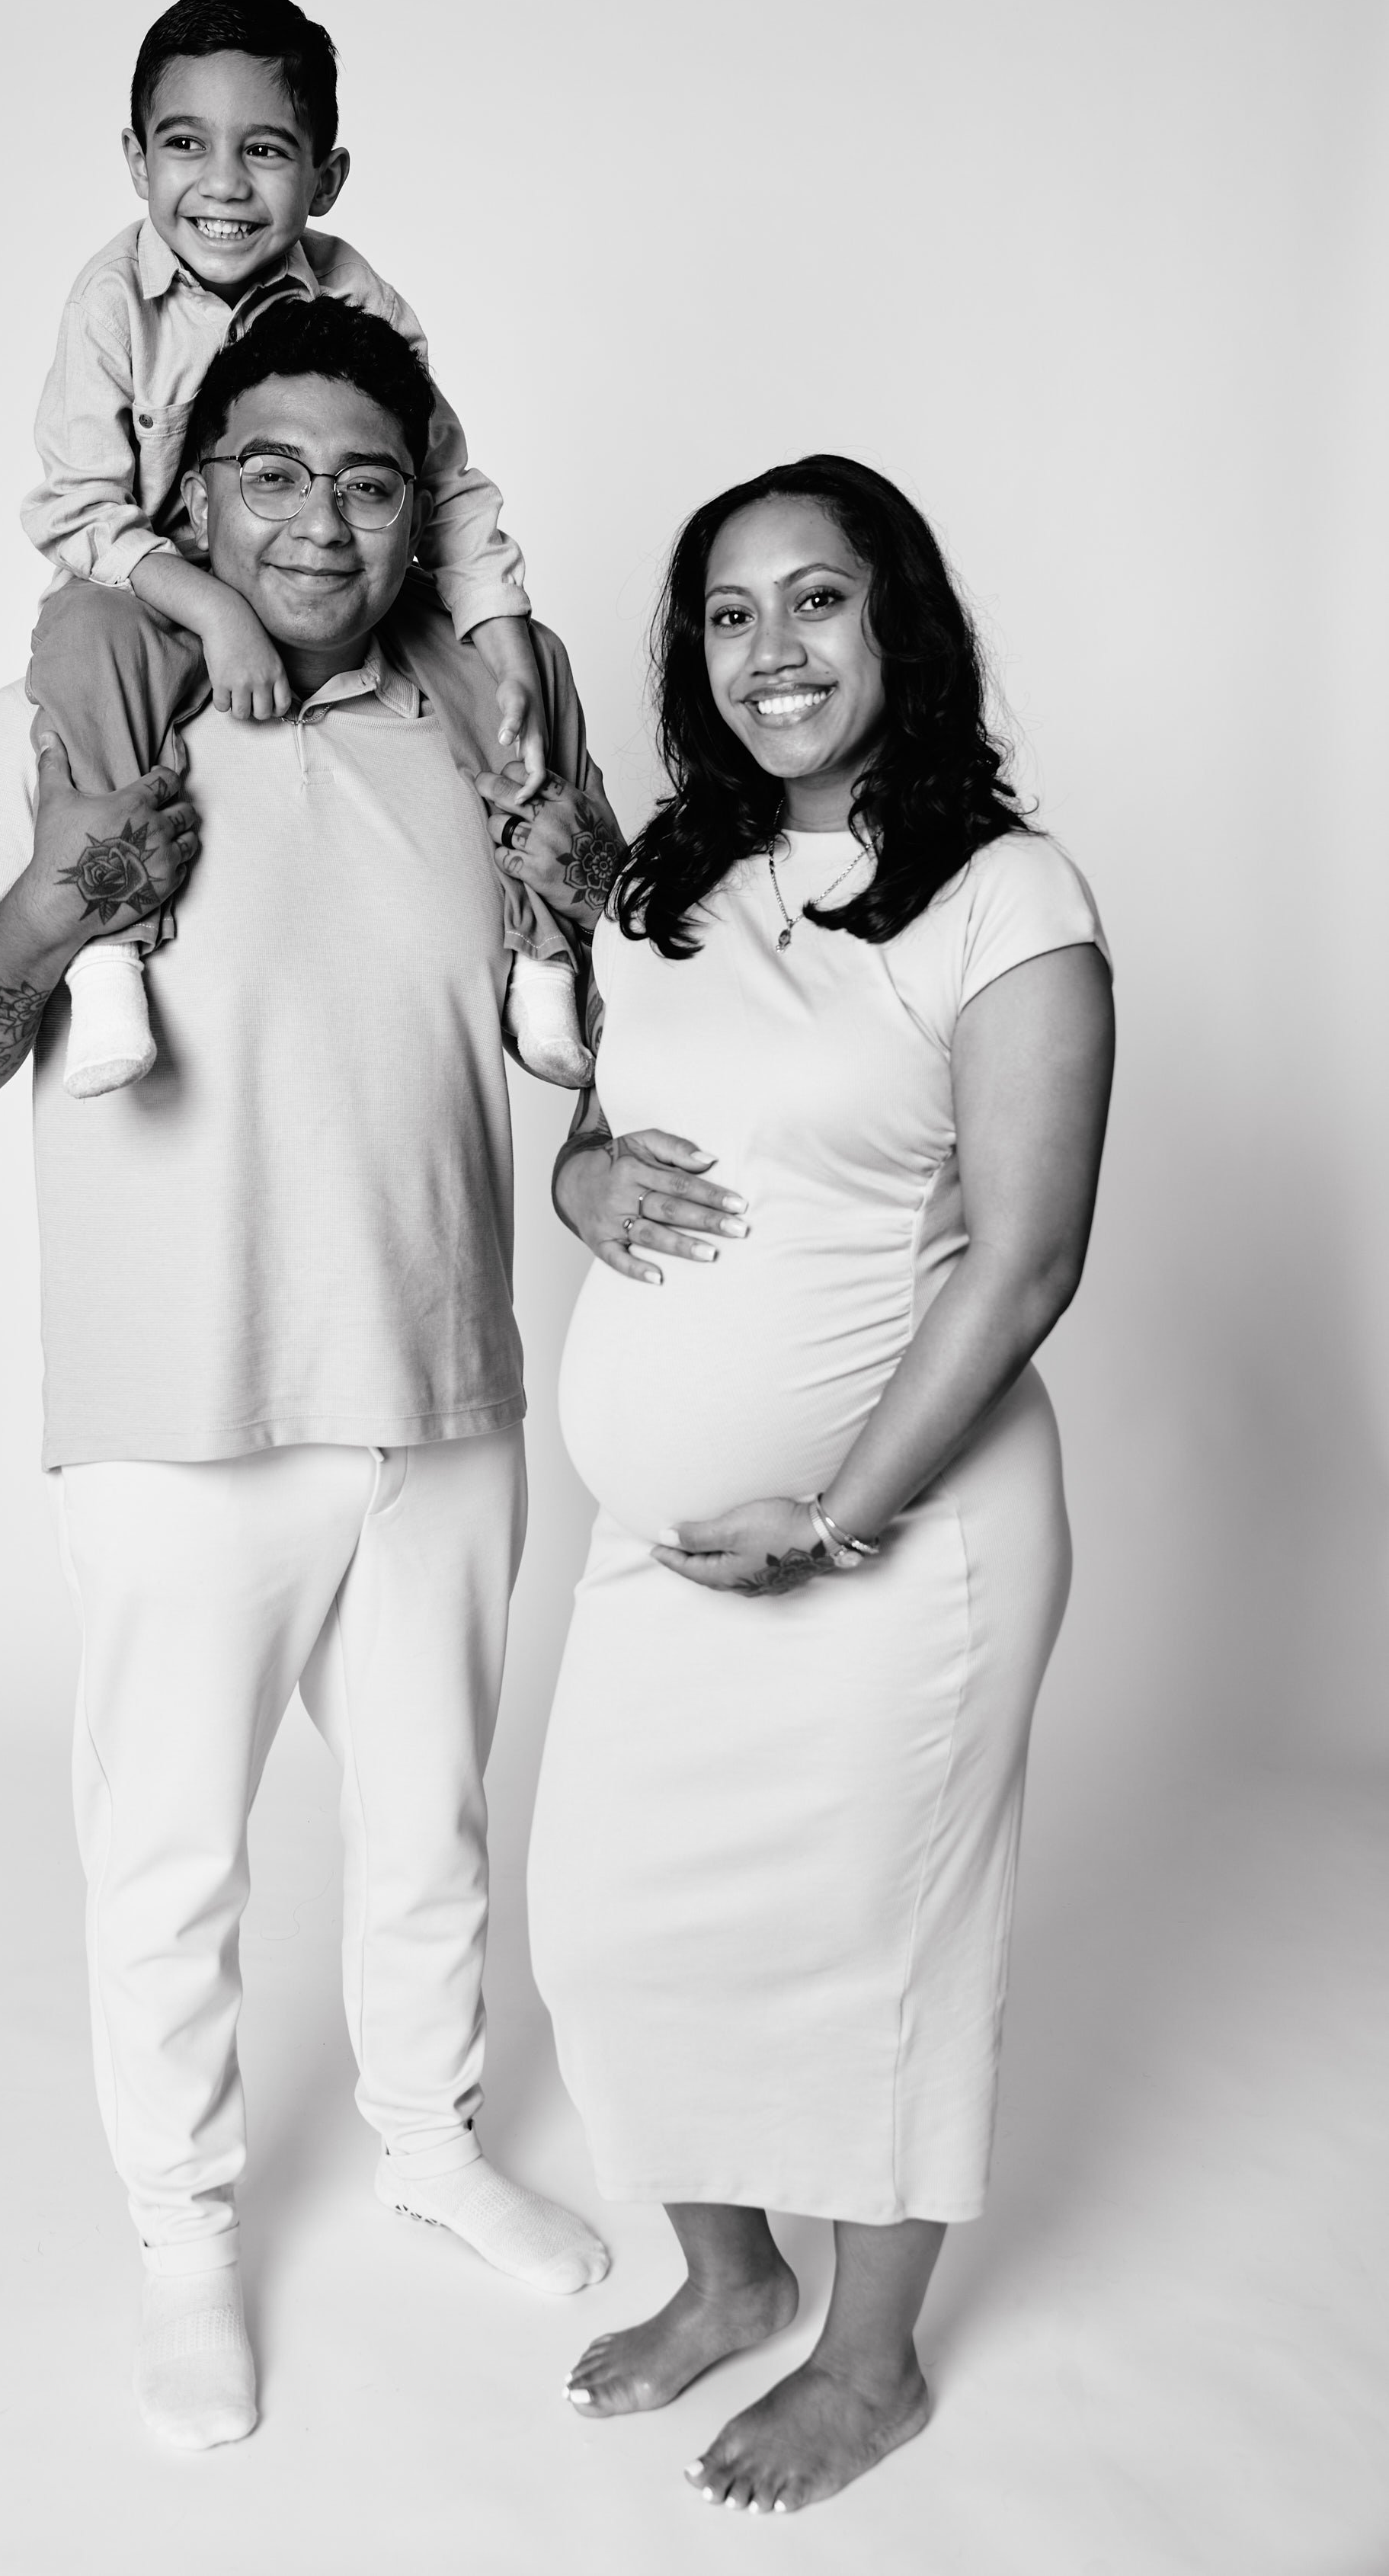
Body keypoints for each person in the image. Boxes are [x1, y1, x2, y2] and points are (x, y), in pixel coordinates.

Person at [0, 302, 622, 2453]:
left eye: (369, 480)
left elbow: (587, 1047)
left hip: (437, 1386)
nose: (322, 515)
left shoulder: (473, 737)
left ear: (418, 518)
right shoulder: (67, 710)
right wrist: (42, 914)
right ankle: (186, 2239)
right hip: (177, 1403)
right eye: (273, 471)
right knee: (172, 1861)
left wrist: (593, 912)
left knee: (426, 1828)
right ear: (188, 497)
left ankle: (427, 2137)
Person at [517, 456, 1115, 2516]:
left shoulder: (997, 893)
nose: (769, 649)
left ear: (894, 626)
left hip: (910, 1543)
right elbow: (607, 1126)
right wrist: (578, 1175)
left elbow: (1027, 1256)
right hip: (661, 1552)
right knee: (598, 1922)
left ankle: (867, 2360)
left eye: (815, 601)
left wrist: (838, 1511)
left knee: (880, 1948)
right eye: (725, 613)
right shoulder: (656, 884)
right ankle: (723, 2272)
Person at [24, 0, 586, 1096]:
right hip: (150, 588)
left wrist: (500, 621)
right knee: (81, 644)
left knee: (511, 679)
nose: (223, 184)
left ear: (325, 178)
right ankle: (108, 959)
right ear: (136, 159)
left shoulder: (360, 299)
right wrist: (215, 609)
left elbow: (441, 480)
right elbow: (76, 512)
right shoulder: (107, 305)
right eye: (186, 144)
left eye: (267, 151)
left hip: (339, 617)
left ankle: (545, 959)